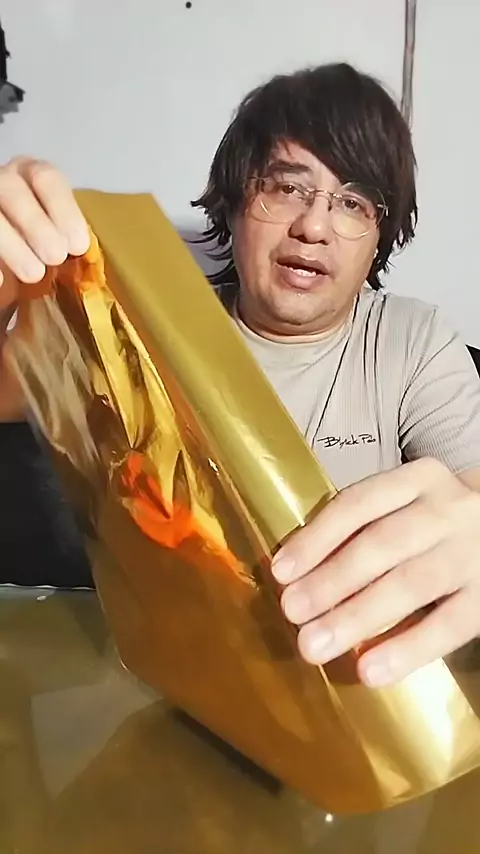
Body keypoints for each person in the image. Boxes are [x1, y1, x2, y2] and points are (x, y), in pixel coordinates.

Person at [1, 62, 480, 685]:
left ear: (378, 237)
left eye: (352, 203)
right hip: (161, 677)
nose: (313, 227)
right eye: (286, 188)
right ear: (233, 204)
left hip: (353, 688)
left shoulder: (411, 341)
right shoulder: (143, 328)